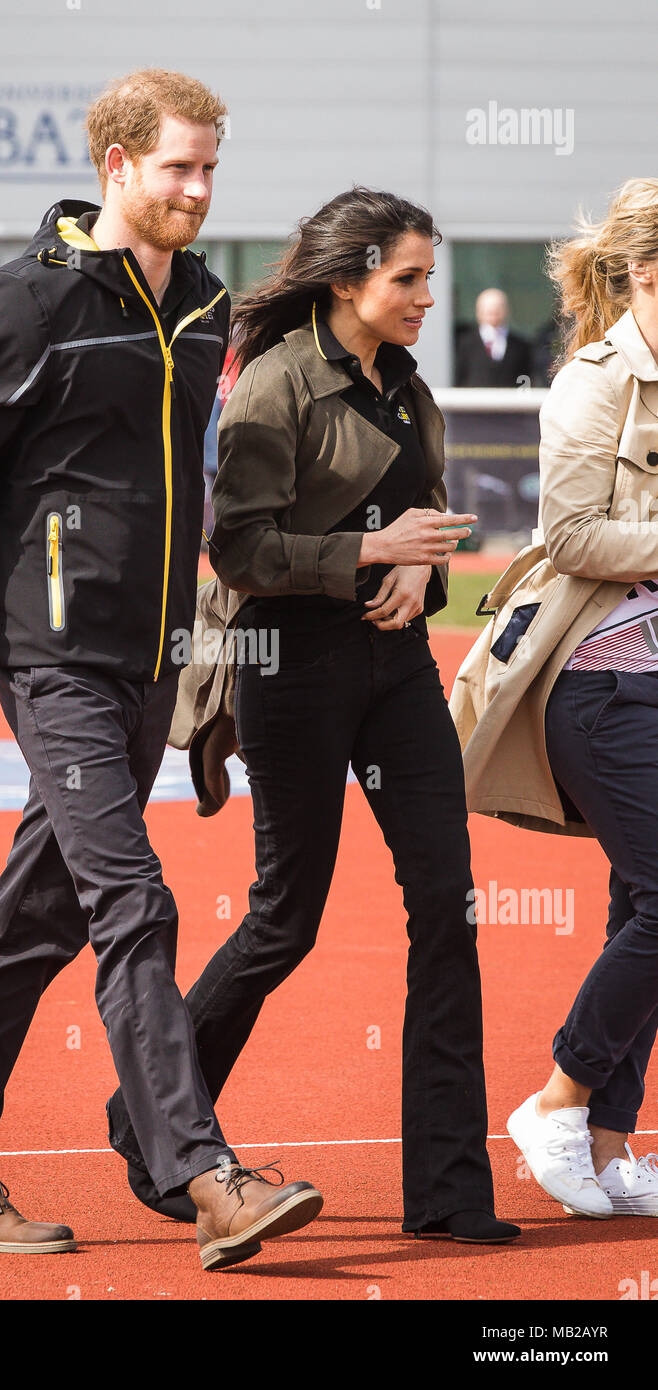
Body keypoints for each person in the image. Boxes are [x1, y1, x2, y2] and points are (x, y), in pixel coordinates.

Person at [0, 66, 322, 1271]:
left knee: (35, 917)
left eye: (208, 170)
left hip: (147, 660)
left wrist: (206, 662)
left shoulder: (199, 305)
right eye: (177, 167)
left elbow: (187, 492)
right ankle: (206, 1176)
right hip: (51, 657)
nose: (196, 188)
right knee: (134, 902)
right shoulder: (33, 302)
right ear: (115, 166)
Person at [107, 186, 521, 1244]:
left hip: (397, 667)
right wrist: (362, 560)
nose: (425, 298)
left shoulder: (407, 385)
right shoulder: (274, 385)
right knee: (286, 914)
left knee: (445, 900)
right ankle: (150, 1117)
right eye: (406, 280)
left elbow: (418, 529)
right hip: (288, 668)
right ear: (346, 281)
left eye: (427, 279)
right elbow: (236, 551)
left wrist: (411, 580)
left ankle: (447, 1190)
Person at [450, 178, 658, 1219]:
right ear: (649, 274)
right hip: (594, 681)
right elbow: (571, 535)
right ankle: (558, 1097)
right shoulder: (592, 382)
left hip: (654, 682)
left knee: (640, 901)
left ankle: (612, 1145)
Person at [455, 288, 533, 387]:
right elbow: (459, 378)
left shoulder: (520, 346)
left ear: (506, 311)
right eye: (488, 310)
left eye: (497, 309)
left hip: (510, 401)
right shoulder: (465, 343)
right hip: (474, 400)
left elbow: (525, 379)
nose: (493, 314)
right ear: (479, 312)